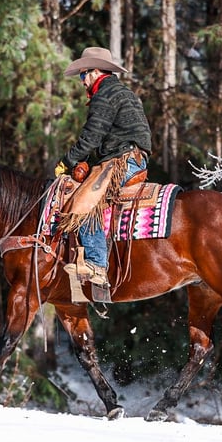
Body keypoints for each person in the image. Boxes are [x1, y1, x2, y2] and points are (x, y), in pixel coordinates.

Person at [55, 46, 152, 289]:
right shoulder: (123, 92)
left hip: (122, 161)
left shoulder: (105, 94)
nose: (82, 81)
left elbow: (91, 137)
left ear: (95, 71)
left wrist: (66, 162)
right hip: (132, 157)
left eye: (83, 74)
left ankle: (97, 265)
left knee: (85, 202)